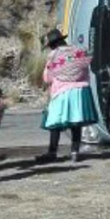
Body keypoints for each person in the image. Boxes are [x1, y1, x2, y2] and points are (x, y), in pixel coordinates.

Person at [37, 28, 98, 163]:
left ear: (52, 44)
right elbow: (86, 70)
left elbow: (48, 78)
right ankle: (75, 151)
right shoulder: (79, 51)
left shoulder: (54, 55)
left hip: (61, 92)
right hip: (81, 90)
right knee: (76, 123)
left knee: (55, 123)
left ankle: (52, 152)